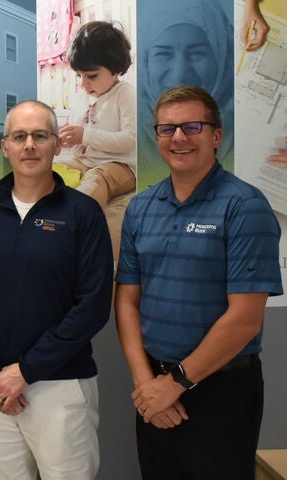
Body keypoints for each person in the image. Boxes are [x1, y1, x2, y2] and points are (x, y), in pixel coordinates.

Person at [114, 86, 283, 480]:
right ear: (156, 136)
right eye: (167, 129)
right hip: (154, 386)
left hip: (221, 388)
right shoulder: (140, 207)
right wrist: (147, 385)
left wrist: (176, 384)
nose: (178, 138)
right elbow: (126, 302)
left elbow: (244, 319)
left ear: (216, 136)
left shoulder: (245, 206)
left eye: (192, 127)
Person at [0, 100, 113, 480]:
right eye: (19, 136)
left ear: (57, 145)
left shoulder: (83, 213)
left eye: (40, 136)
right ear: (5, 146)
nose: (29, 145)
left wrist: (24, 372)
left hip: (60, 387)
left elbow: (92, 307)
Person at [138, 0, 235, 186]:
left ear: (221, 57)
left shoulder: (250, 133)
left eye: (197, 54)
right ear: (145, 62)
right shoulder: (135, 137)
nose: (180, 73)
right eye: (163, 54)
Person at [58, 20, 136, 210]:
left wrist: (85, 136)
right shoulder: (81, 96)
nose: (83, 84)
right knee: (49, 168)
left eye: (91, 76)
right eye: (79, 76)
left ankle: (79, 218)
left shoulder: (124, 94)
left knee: (96, 179)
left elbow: (131, 140)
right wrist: (62, 139)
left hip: (119, 166)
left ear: (116, 68)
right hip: (83, 162)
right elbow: (75, 132)